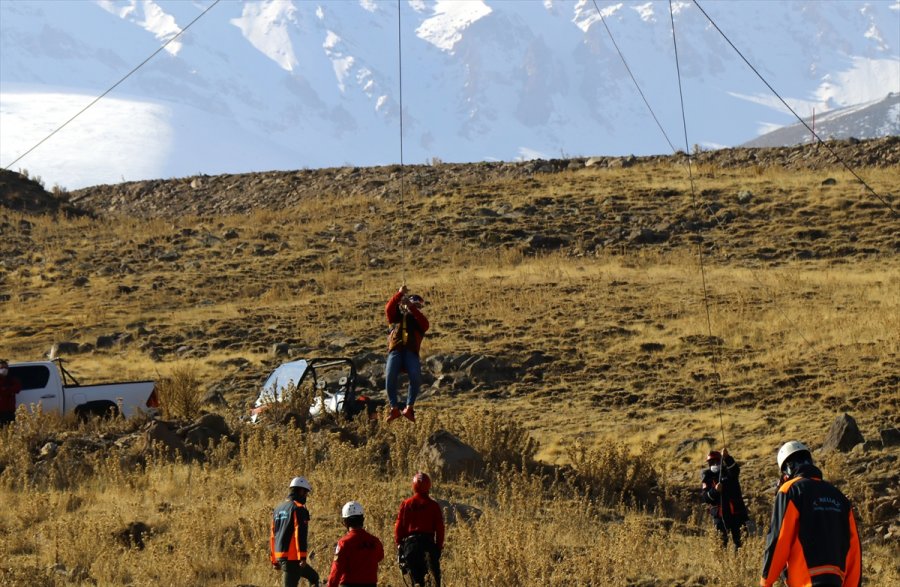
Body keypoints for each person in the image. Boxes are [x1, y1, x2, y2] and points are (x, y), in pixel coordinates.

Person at [760, 441, 862, 587]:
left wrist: (766, 581)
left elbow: (779, 538)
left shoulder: (790, 491)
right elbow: (854, 550)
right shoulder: (840, 497)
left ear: (786, 471)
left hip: (805, 582)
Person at [384, 285, 429, 423]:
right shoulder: (396, 317)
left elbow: (425, 324)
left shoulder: (418, 322)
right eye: (410, 303)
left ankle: (409, 408)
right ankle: (394, 408)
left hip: (410, 352)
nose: (412, 307)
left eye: (416, 305)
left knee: (415, 377)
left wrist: (411, 307)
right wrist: (399, 294)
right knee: (390, 378)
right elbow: (388, 309)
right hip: (396, 351)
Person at [394, 472, 444, 587]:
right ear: (429, 485)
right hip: (429, 545)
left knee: (416, 582)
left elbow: (398, 526)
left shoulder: (406, 504)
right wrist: (438, 547)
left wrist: (400, 544)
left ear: (413, 486)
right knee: (434, 582)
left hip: (411, 546)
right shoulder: (433, 505)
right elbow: (440, 528)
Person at [271, 476, 320, 587]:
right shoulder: (298, 508)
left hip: (281, 556)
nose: (306, 496)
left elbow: (273, 535)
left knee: (314, 577)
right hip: (293, 558)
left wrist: (274, 559)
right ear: (301, 491)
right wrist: (302, 557)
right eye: (306, 493)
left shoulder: (278, 509)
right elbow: (300, 534)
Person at [327, 501, 384, 587]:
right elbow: (380, 556)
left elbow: (337, 569)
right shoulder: (375, 541)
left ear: (345, 522)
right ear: (362, 519)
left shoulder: (344, 543)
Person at [700, 447, 748, 548]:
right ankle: (722, 562)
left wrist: (727, 457)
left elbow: (735, 471)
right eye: (711, 462)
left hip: (735, 513)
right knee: (721, 544)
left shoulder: (729, 472)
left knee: (741, 543)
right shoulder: (707, 477)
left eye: (716, 461)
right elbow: (706, 498)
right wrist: (715, 491)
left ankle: (740, 562)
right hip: (720, 516)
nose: (714, 464)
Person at [0, 359, 22, 425]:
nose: (4, 369)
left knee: (11, 430)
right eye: (1, 367)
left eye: (6, 367)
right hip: (1, 411)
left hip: (10, 410)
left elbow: (17, 388)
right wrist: (9, 390)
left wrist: (5, 389)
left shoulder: (11, 378)